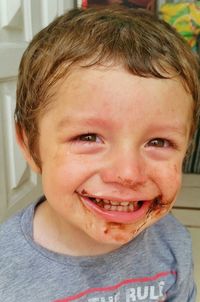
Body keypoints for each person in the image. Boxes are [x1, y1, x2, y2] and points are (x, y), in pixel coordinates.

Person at [0, 6, 199, 302]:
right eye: (88, 137)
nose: (128, 173)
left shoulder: (172, 242)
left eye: (158, 142)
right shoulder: (6, 266)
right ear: (30, 145)